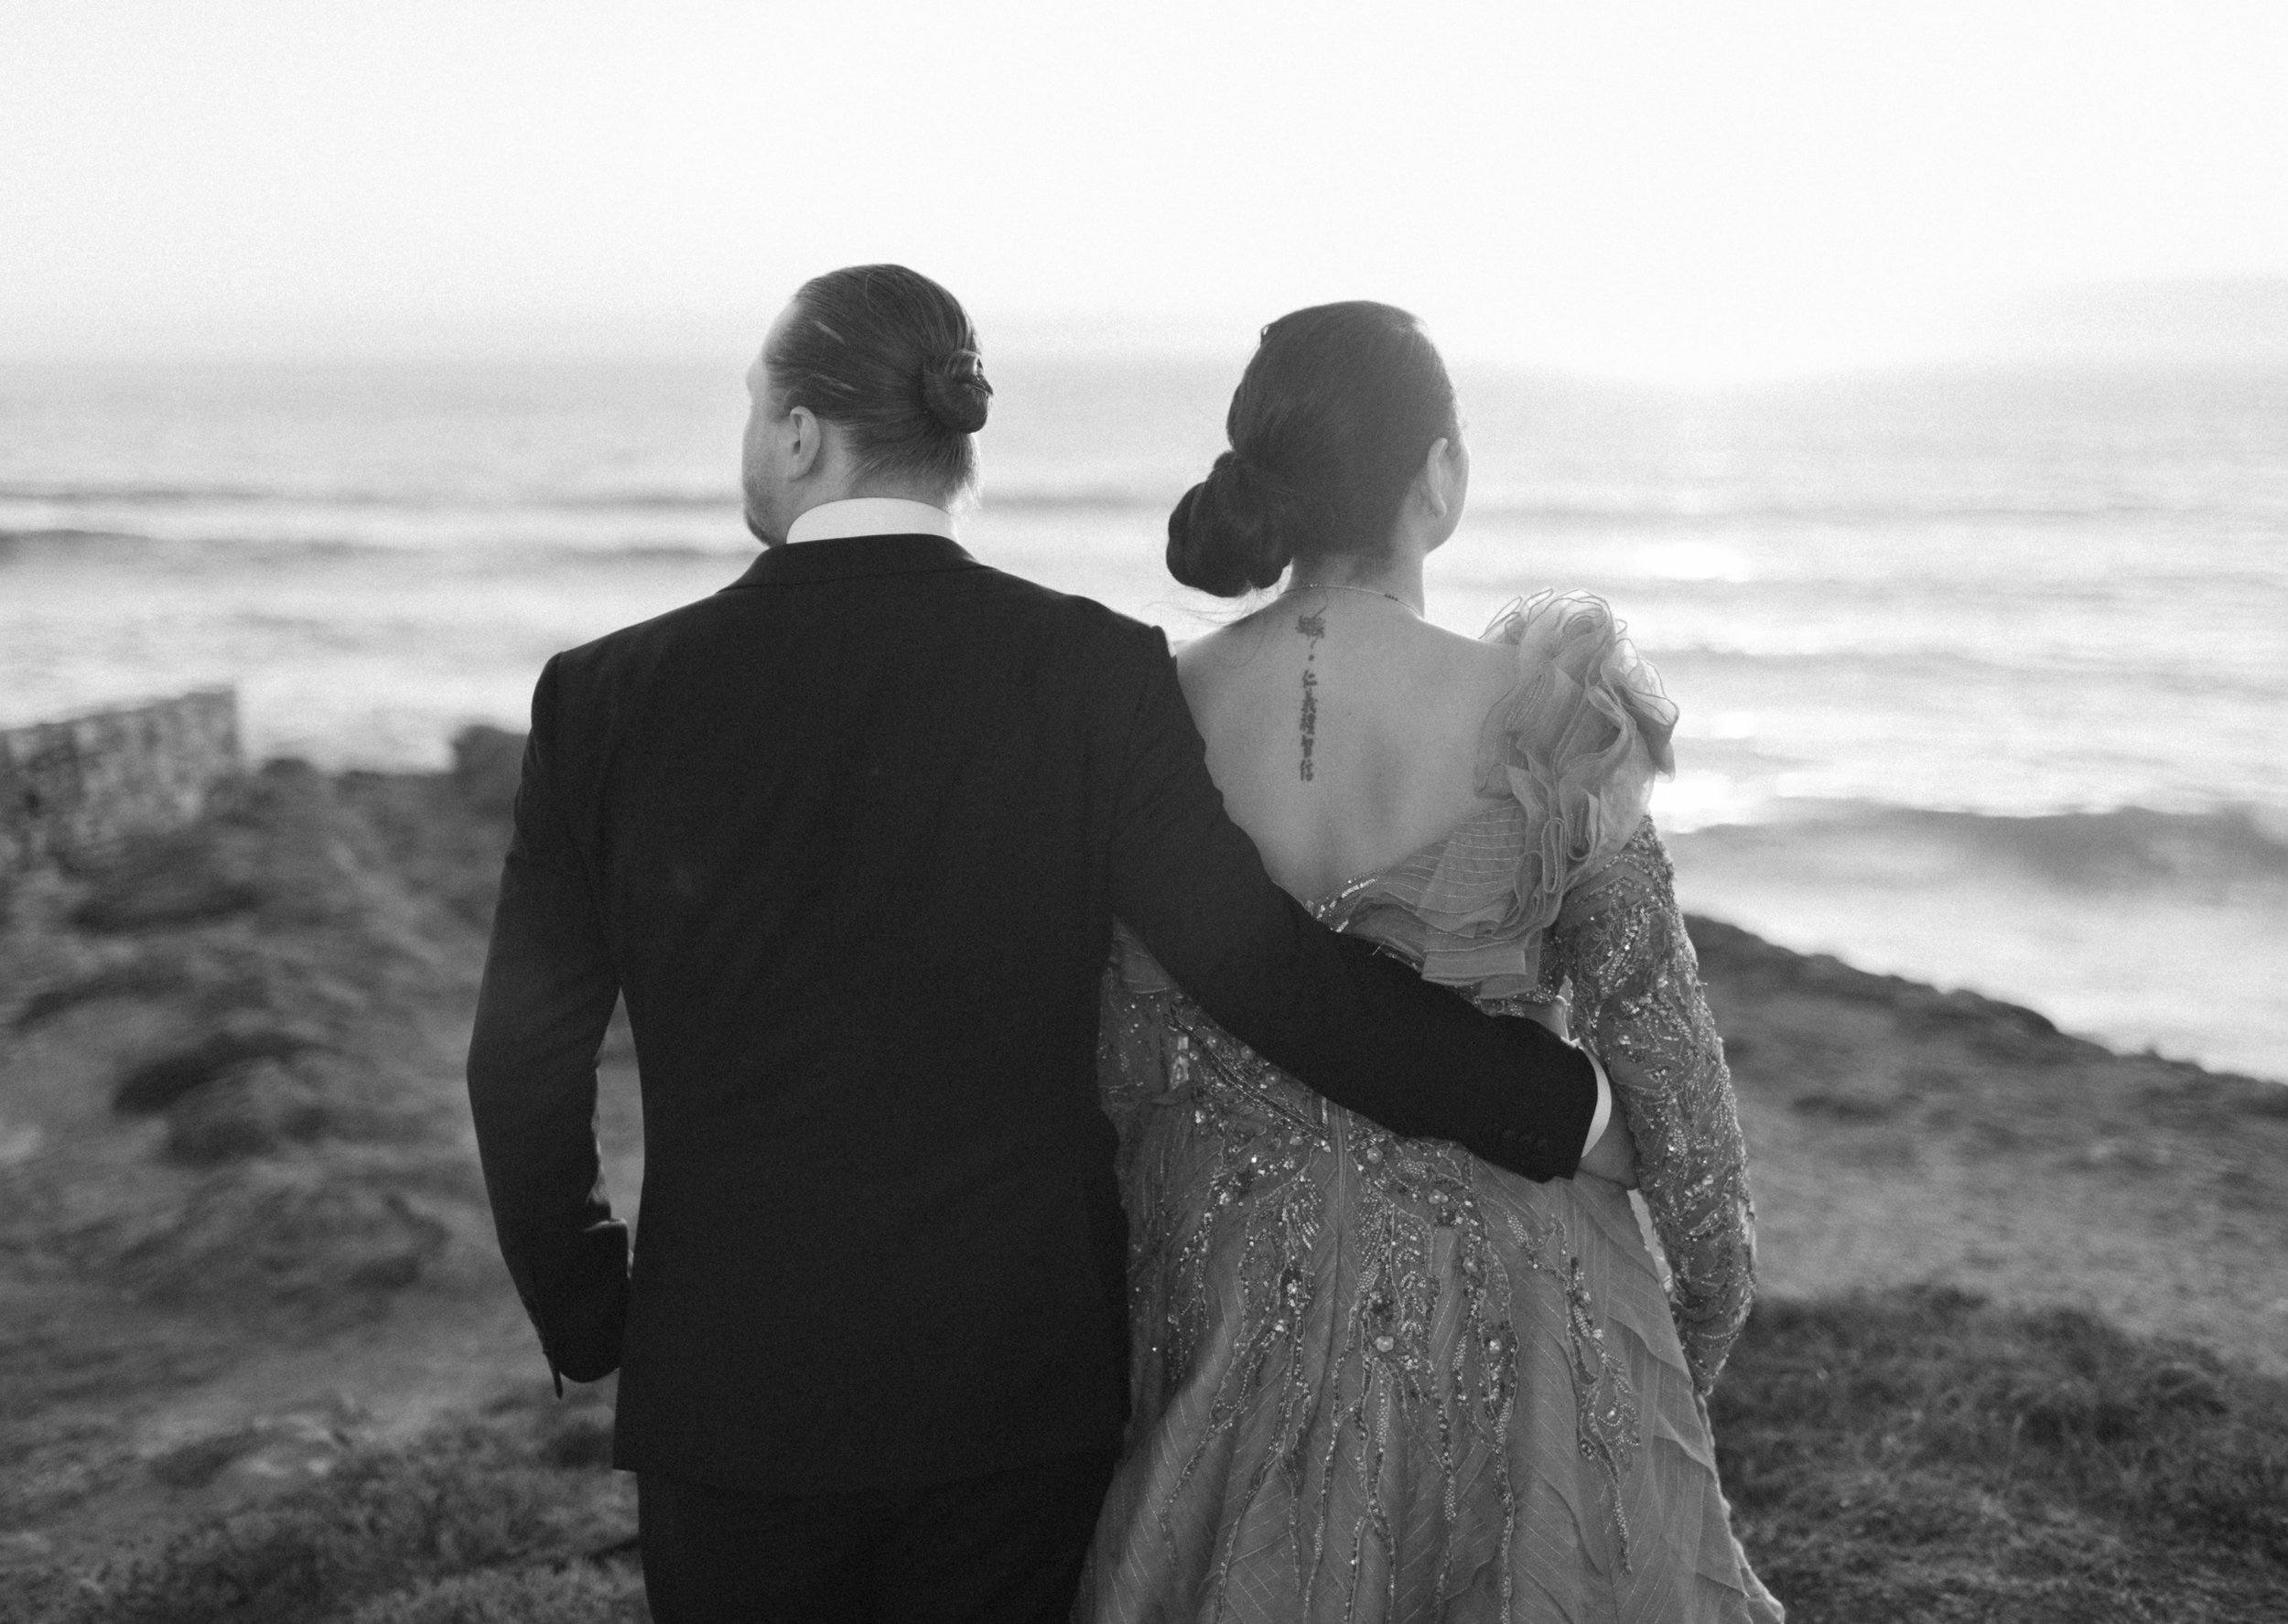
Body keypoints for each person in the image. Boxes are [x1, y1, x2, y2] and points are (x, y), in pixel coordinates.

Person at [465, 265, 1635, 1624]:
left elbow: (521, 1059)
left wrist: (595, 1304)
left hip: (734, 1390)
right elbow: (1266, 977)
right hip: (1012, 1390)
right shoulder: (1089, 671)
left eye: (751, 410)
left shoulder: (607, 696)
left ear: (798, 434)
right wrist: (1561, 1104)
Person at [1080, 302, 1783, 1620]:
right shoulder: (1554, 733)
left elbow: (1109, 1056)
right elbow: (1687, 1136)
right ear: (1440, 480)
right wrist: (1660, 1368)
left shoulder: (1148, 713)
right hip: (1518, 1344)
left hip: (1219, 1313)